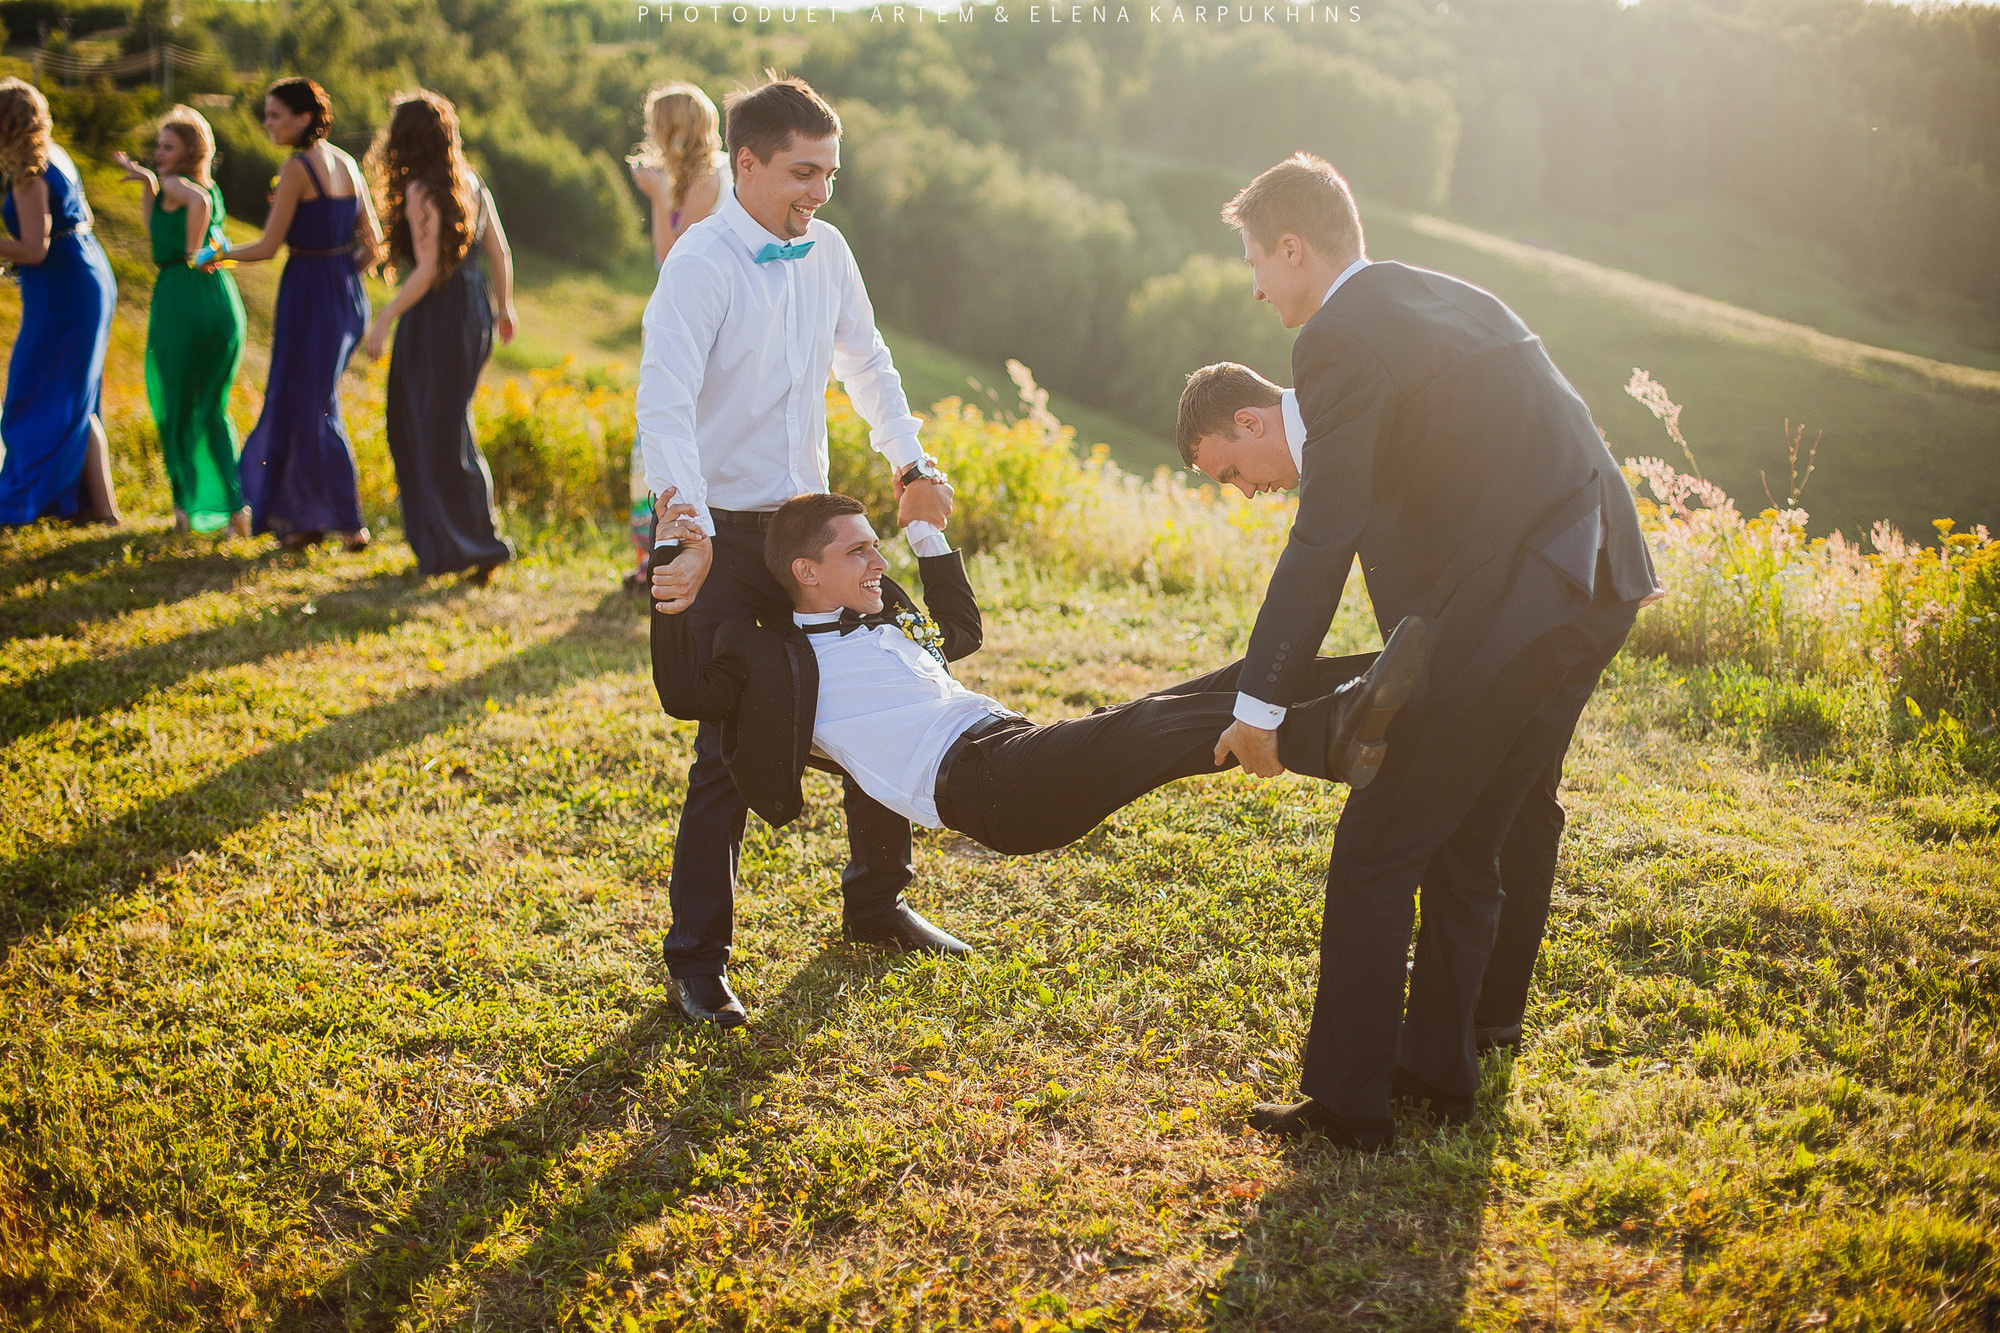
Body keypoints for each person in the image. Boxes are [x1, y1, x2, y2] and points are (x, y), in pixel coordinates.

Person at [1182, 153, 1659, 1152]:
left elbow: (1326, 532)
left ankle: (1350, 1106)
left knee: (1373, 847)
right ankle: (1443, 1075)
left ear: (1292, 247)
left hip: (1528, 602)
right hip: (1597, 580)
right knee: (1476, 832)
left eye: (1253, 264)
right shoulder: (1436, 299)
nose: (1253, 288)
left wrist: (1259, 709)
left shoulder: (1338, 338)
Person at [649, 490, 1423, 944]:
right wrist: (671, 557)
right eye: (859, 552)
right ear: (805, 572)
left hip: (1013, 746)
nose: (878, 563)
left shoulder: (885, 616)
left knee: (1208, 688)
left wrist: (925, 530)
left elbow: (963, 632)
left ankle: (1376, 677)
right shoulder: (779, 661)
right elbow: (686, 691)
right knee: (1154, 728)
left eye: (877, 547)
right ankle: (1334, 734)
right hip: (988, 787)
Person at [637, 76, 958, 1030]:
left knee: (882, 698)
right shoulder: (698, 267)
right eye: (801, 172)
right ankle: (699, 960)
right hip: (726, 537)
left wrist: (910, 460)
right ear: (746, 164)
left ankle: (877, 899)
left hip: (811, 527)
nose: (819, 191)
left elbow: (868, 360)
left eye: (830, 173)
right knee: (727, 748)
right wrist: (685, 531)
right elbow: (663, 406)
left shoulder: (830, 251)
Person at [1170, 364, 1609, 1060]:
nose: (1249, 492)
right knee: (1526, 806)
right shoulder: (1351, 410)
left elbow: (1315, 564)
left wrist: (1260, 708)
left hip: (1519, 618)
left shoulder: (1352, 408)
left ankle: (1448, 1030)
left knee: (1420, 831)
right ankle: (1488, 1017)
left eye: (1233, 472)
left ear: (1250, 422)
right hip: (1549, 603)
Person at [220, 77, 383, 552]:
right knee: (307, 399)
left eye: (274, 115)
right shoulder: (348, 164)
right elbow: (373, 245)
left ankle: (350, 523)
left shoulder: (296, 168)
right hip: (343, 291)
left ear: (304, 118)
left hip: (308, 291)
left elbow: (269, 247)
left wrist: (220, 254)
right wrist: (341, 275)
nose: (267, 124)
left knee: (312, 403)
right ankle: (304, 520)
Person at [360, 90, 516, 583]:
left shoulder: (422, 190)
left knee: (418, 428)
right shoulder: (471, 182)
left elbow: (428, 270)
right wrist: (503, 307)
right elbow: (501, 253)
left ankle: (461, 545)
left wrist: (384, 319)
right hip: (472, 310)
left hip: (437, 315)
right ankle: (465, 543)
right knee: (449, 427)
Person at [114, 106, 250, 538]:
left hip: (183, 295)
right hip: (220, 298)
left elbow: (195, 206)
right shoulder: (193, 184)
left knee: (175, 404)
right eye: (159, 145)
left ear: (190, 150)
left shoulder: (183, 185)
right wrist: (147, 184)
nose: (159, 152)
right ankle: (234, 512)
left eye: (168, 146)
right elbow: (160, 232)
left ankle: (185, 512)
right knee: (212, 407)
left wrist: (192, 251)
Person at [623, 82, 728, 591]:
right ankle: (656, 552)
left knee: (676, 432)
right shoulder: (694, 180)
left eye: (655, 125)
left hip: (696, 327)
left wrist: (660, 194)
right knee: (657, 436)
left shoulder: (710, 179)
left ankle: (681, 550)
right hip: (676, 316)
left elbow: (671, 257)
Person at [0, 79, 118, 527]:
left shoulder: (28, 173)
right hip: (85, 272)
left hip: (63, 287)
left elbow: (35, 249)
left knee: (33, 389)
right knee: (74, 394)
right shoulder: (57, 154)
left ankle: (33, 496)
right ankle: (97, 507)